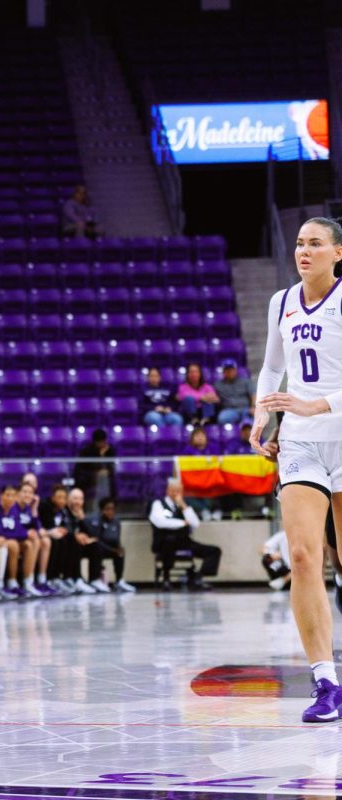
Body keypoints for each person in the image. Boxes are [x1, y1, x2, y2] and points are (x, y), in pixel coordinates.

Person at [250, 216, 342, 723]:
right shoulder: (281, 302)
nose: (304, 251)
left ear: (338, 253)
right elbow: (271, 366)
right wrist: (263, 413)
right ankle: (326, 681)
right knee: (305, 557)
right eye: (300, 243)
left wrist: (314, 406)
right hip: (302, 443)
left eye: (315, 244)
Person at [149, 477, 221, 591]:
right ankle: (166, 578)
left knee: (214, 551)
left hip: (183, 541)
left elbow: (195, 523)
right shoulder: (158, 504)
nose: (176, 494)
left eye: (179, 491)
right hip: (164, 541)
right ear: (168, 491)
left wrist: (183, 506)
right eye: (174, 491)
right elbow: (160, 522)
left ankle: (197, 577)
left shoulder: (184, 506)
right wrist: (182, 522)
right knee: (169, 541)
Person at [87, 497, 133, 592]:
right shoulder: (97, 521)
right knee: (97, 547)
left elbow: (117, 539)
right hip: (98, 548)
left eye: (112, 509)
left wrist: (118, 548)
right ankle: (94, 579)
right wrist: (113, 550)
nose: (110, 512)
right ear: (102, 510)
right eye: (107, 509)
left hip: (111, 549)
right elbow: (96, 539)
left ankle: (119, 580)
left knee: (121, 551)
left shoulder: (116, 522)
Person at [73, 428, 117, 506]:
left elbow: (111, 467)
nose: (102, 444)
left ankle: (107, 505)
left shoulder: (110, 450)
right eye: (100, 442)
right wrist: (96, 472)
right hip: (88, 477)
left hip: (105, 479)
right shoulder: (86, 451)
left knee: (107, 480)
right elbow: (81, 469)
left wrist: (103, 456)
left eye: (104, 441)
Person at [215, 359, 252, 426]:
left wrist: (254, 407)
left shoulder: (245, 382)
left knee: (253, 421)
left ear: (235, 370)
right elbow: (214, 396)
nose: (229, 372)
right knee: (222, 418)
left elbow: (253, 394)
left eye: (231, 369)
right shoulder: (218, 385)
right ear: (223, 372)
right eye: (227, 370)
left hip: (245, 409)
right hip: (230, 410)